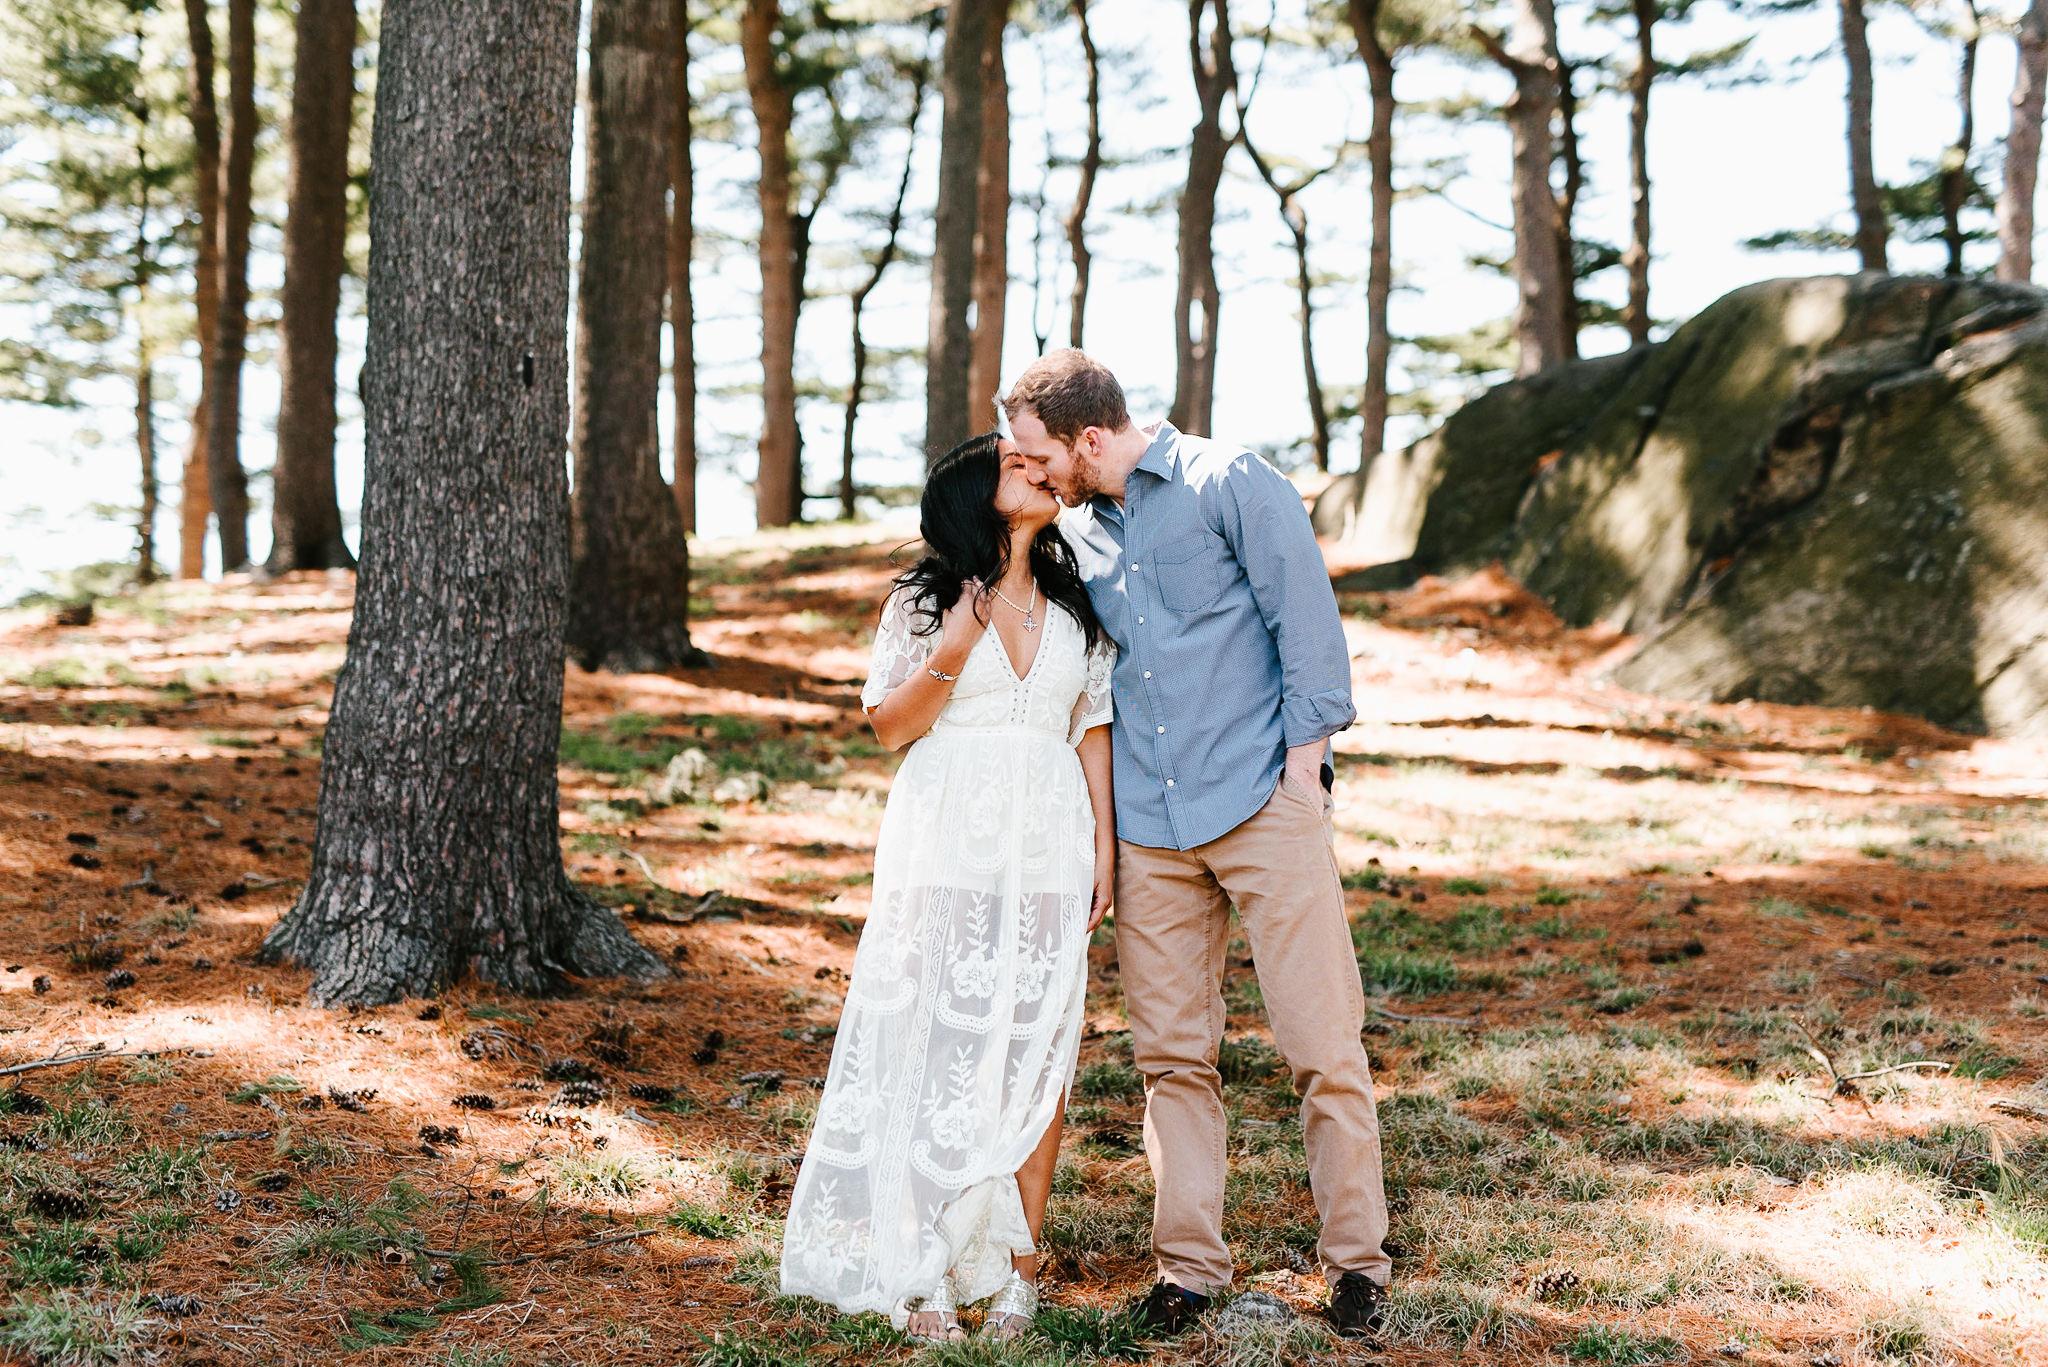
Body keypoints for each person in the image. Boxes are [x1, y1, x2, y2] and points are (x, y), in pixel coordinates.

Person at [1001, 350, 1392, 1341]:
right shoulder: (1073, 527)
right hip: (1149, 831)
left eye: (1043, 453)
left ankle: (1354, 1262)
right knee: (1172, 1055)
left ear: (1089, 438)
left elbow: (1306, 629)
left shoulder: (1233, 484)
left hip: (1261, 803)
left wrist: (1304, 774)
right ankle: (1187, 1268)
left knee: (1319, 1041)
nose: (1037, 471)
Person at [779, 432, 1117, 1342]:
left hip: (1049, 844)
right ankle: (918, 1257)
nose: (1039, 471)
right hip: (946, 845)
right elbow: (889, 726)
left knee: (1037, 1049)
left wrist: (1107, 853)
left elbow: (1092, 729)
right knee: (931, 1046)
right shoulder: (925, 601)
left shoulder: (1074, 603)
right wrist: (957, 647)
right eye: (1017, 464)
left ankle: (1018, 1271)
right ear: (974, 494)